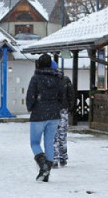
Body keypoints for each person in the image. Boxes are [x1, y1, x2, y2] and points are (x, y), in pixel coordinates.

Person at [26, 53, 63, 182]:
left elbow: (30, 96)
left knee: (35, 143)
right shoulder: (58, 79)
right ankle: (46, 173)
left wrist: (30, 107)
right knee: (49, 142)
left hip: (38, 114)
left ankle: (43, 166)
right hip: (54, 115)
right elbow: (62, 98)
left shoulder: (36, 78)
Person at [52, 57, 74, 168]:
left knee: (52, 135)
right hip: (63, 111)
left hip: (51, 111)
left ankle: (54, 158)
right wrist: (69, 107)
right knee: (62, 135)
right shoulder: (65, 80)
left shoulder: (48, 81)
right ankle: (63, 157)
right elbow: (71, 95)